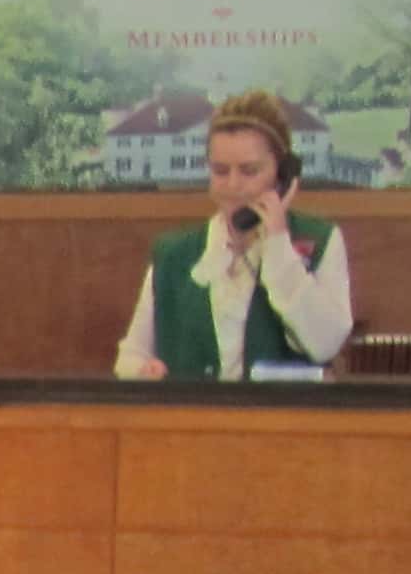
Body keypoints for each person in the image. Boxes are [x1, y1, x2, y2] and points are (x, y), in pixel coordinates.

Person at [116, 90, 353, 380]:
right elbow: (131, 355)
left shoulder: (322, 241)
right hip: (195, 420)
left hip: (285, 422)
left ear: (282, 173)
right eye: (220, 170)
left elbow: (325, 344)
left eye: (249, 171)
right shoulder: (174, 255)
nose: (233, 185)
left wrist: (278, 244)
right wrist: (143, 370)